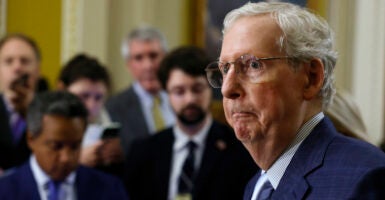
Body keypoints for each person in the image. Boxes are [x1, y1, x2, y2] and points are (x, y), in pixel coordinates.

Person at [204, 2, 385, 199]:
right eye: (224, 69)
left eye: (253, 65)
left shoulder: (363, 179)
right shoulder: (257, 186)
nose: (227, 89)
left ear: (311, 78)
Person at [125, 46, 256, 200]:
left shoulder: (240, 148)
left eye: (197, 89)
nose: (190, 99)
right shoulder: (143, 152)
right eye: (179, 91)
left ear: (210, 90)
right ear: (166, 94)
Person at [0, 91, 128, 200]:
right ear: (31, 139)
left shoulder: (109, 189)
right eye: (56, 146)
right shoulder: (4, 192)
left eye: (75, 146)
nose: (66, 158)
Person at [106, 26, 175, 155]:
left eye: (154, 56)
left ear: (165, 58)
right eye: (139, 58)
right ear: (128, 64)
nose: (148, 65)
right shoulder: (114, 107)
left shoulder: (180, 97)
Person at [58, 54, 124, 176]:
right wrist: (76, 161)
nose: (91, 106)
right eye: (83, 96)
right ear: (62, 90)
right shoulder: (46, 127)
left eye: (98, 98)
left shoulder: (112, 121)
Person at [0, 34, 40, 172]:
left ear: (38, 69)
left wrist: (32, 112)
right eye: (9, 61)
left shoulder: (51, 111)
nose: (17, 68)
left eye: (25, 61)